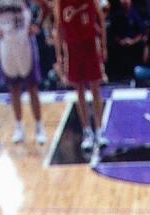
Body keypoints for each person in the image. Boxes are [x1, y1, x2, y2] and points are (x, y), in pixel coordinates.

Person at [0, 0, 44, 145]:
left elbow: (45, 6)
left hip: (25, 42)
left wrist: (37, 25)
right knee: (14, 89)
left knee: (32, 88)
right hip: (7, 44)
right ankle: (19, 127)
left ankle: (39, 126)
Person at [55, 0, 103, 152]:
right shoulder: (61, 2)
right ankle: (87, 131)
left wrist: (103, 45)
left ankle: (100, 130)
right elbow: (59, 27)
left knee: (95, 88)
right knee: (80, 90)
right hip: (72, 46)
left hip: (89, 44)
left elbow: (100, 18)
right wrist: (60, 55)